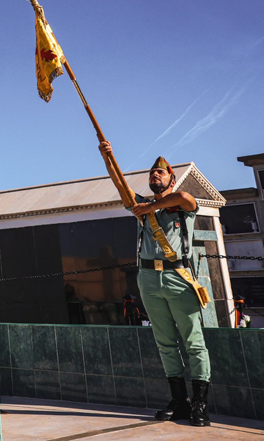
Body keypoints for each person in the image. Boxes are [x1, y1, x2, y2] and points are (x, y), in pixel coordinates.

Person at [99, 145, 212, 427]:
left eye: (160, 173)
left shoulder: (182, 206)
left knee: (194, 342)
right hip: (149, 278)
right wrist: (107, 157)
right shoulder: (141, 206)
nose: (155, 175)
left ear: (171, 179)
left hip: (178, 277)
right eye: (152, 173)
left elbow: (184, 196)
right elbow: (120, 185)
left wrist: (151, 207)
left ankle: (200, 404)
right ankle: (180, 401)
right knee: (165, 343)